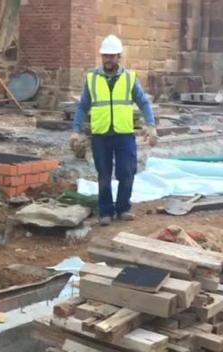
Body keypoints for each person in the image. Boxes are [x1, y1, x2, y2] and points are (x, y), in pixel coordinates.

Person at [70, 34, 158, 226]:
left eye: (112, 56)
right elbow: (83, 106)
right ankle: (105, 211)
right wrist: (76, 130)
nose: (108, 59)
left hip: (124, 134)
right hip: (101, 135)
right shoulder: (92, 79)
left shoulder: (129, 78)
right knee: (103, 173)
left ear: (119, 56)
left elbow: (143, 102)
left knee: (127, 171)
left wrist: (151, 125)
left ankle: (123, 208)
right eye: (105, 56)